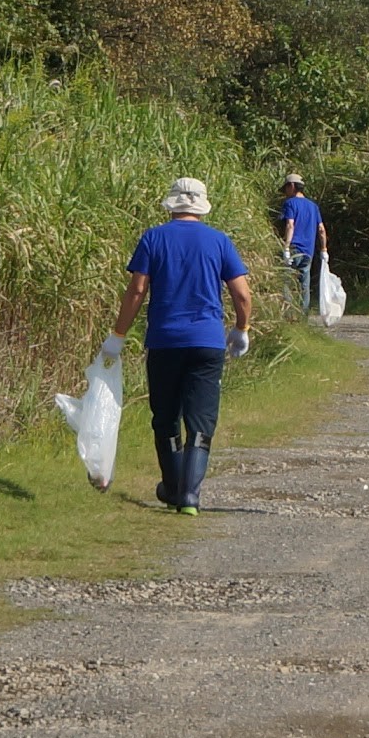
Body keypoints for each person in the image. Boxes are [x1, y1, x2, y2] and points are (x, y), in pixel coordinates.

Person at [105, 176, 253, 516]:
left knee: (166, 418)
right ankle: (189, 498)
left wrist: (118, 335)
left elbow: (137, 291)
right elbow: (242, 293)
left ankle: (171, 488)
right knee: (201, 423)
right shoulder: (218, 241)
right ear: (201, 206)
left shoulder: (153, 238)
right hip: (207, 343)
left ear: (171, 203)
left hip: (165, 341)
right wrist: (241, 329)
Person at [276, 175, 328, 313]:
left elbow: (290, 225)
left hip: (294, 248)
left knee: (286, 282)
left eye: (286, 188)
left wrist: (286, 247)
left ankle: (288, 314)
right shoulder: (313, 206)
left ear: (291, 186)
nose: (285, 193)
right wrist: (324, 249)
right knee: (304, 285)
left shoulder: (290, 203)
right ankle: (302, 316)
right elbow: (321, 229)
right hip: (308, 252)